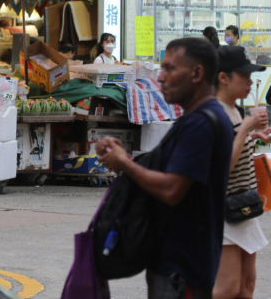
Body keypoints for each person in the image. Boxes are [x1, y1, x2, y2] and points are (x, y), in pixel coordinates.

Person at [97, 37, 233, 298]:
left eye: (170, 69)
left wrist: (125, 164)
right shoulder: (195, 119)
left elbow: (172, 189)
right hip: (172, 260)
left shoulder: (202, 124)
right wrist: (123, 158)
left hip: (182, 268)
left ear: (197, 73)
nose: (160, 77)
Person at [213, 46, 271, 299]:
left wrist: (249, 133)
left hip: (243, 207)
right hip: (223, 211)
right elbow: (221, 168)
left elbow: (234, 141)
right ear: (223, 77)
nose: (250, 82)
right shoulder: (214, 113)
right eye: (244, 76)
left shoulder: (234, 109)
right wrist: (246, 128)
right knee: (227, 288)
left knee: (246, 287)